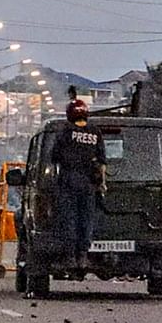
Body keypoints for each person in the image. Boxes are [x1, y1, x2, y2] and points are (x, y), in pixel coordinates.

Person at [52, 99, 105, 247]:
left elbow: (54, 156)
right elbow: (102, 162)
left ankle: (70, 252)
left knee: (69, 216)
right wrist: (102, 184)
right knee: (87, 217)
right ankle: (83, 252)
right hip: (89, 183)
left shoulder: (66, 132)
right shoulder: (95, 132)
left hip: (69, 181)